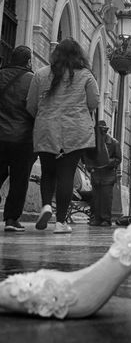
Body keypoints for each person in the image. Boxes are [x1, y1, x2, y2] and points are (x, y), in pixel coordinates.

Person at [26, 38, 100, 234]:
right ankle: (60, 222)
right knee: (66, 174)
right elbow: (93, 102)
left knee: (48, 172)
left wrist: (44, 117)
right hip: (75, 132)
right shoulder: (86, 76)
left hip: (46, 129)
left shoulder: (41, 74)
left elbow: (31, 105)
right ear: (79, 55)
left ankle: (46, 206)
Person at [0, 46, 35, 232]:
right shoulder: (31, 80)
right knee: (19, 180)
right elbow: (35, 108)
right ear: (28, 61)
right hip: (22, 138)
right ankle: (12, 219)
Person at [86, 120, 122, 226]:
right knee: (96, 197)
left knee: (106, 198)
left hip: (108, 175)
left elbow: (118, 159)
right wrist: (90, 166)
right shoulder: (93, 143)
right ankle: (96, 218)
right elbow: (88, 157)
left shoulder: (114, 142)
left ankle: (106, 219)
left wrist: (105, 162)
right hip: (96, 174)